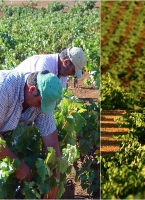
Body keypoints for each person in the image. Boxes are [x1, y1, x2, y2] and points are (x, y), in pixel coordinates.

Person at [0, 69, 62, 199]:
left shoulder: (42, 98)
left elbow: (51, 141)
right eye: (41, 103)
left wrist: (55, 180)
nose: (42, 108)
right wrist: (17, 165)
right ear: (32, 89)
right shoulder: (5, 89)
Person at [15, 47, 86, 88]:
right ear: (66, 62)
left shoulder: (63, 72)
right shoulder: (44, 65)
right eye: (73, 70)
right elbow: (41, 94)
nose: (73, 74)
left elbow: (59, 98)